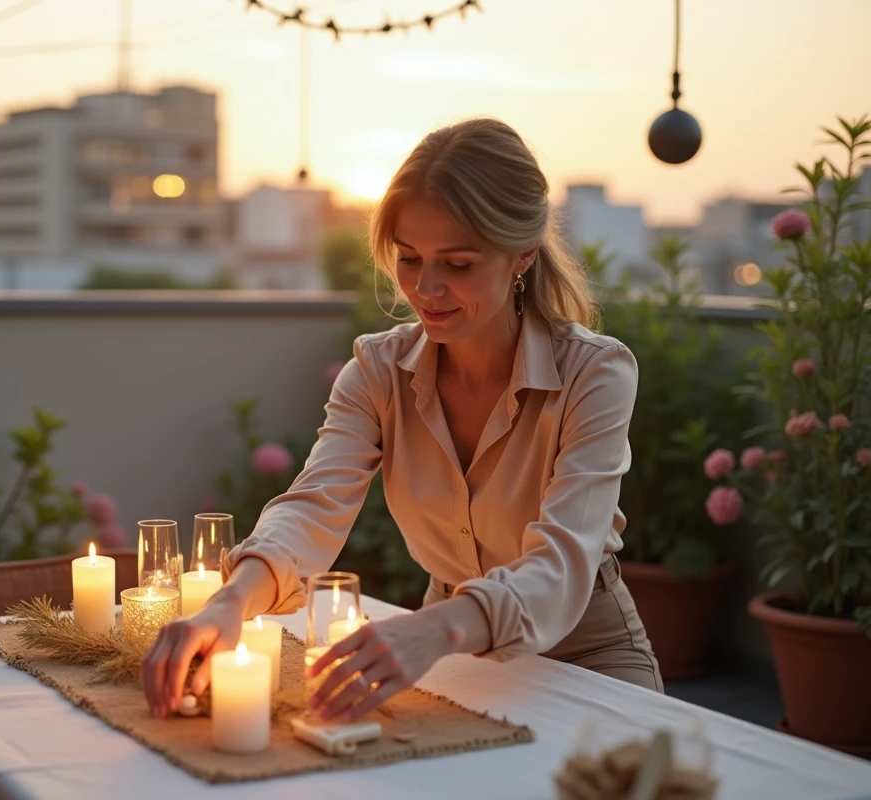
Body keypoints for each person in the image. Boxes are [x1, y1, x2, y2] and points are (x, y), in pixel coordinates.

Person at [141, 117, 662, 724]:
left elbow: (562, 563)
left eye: (458, 263)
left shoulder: (595, 374)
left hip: (586, 653)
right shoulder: (376, 371)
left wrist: (432, 632)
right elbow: (312, 507)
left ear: (522, 254)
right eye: (410, 259)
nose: (427, 287)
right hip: (444, 651)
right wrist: (229, 603)